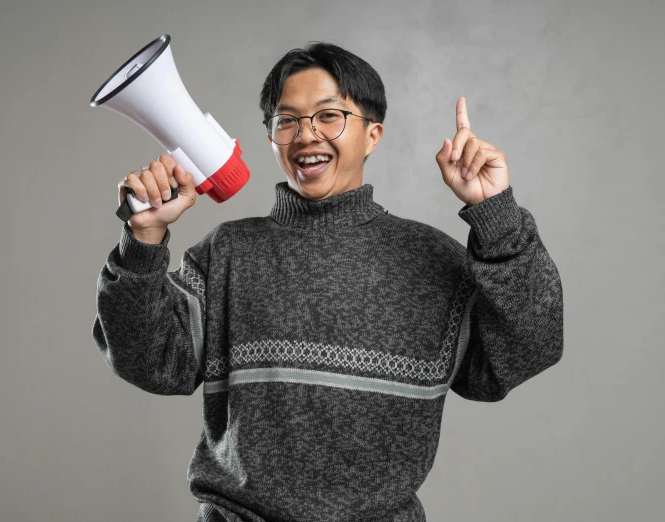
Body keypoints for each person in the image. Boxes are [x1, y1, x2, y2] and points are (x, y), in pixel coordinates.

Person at [93, 40, 563, 522]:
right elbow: (148, 363)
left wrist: (497, 214)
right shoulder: (228, 252)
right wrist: (143, 241)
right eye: (287, 120)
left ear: (373, 134)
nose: (306, 135)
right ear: (271, 137)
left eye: (329, 116)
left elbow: (528, 348)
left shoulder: (434, 259)